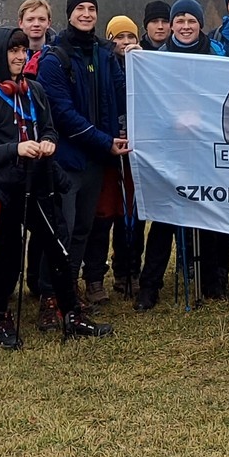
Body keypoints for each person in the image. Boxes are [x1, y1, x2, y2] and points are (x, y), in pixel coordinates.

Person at [0, 26, 110, 349]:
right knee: (4, 257)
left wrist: (48, 142)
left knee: (58, 248)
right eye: (13, 51)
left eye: (23, 51)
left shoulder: (34, 91)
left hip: (38, 181)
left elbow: (49, 129)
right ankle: (2, 316)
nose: (20, 56)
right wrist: (15, 149)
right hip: (1, 189)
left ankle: (71, 313)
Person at [31, 0, 128, 319]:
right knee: (62, 230)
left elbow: (123, 94)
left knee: (83, 229)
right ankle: (49, 298)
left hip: (96, 160)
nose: (86, 14)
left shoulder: (105, 54)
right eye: (80, 9)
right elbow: (61, 113)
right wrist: (104, 141)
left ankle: (69, 293)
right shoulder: (54, 58)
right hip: (66, 161)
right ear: (69, 14)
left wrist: (137, 63)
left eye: (92, 8)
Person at [136, 0, 225, 308]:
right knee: (164, 218)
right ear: (172, 25)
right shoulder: (156, 59)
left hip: (206, 146)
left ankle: (211, 281)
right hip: (169, 147)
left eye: (192, 21)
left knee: (207, 211)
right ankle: (149, 286)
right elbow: (148, 102)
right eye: (180, 21)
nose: (186, 27)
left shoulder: (216, 55)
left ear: (200, 24)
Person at [89, 15, 143, 297]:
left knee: (131, 212)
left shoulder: (145, 64)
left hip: (135, 150)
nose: (125, 42)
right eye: (119, 37)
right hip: (107, 148)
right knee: (103, 213)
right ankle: (94, 276)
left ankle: (129, 270)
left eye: (130, 37)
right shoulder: (101, 64)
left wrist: (143, 62)